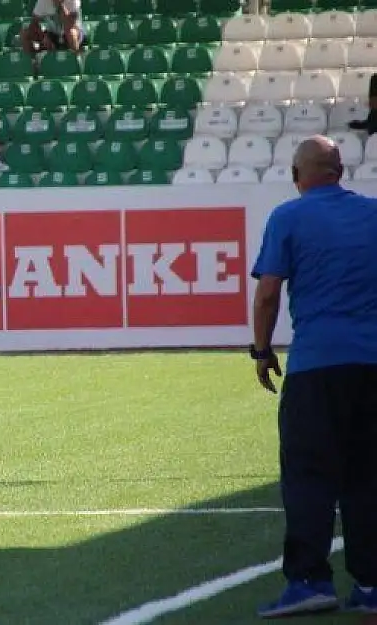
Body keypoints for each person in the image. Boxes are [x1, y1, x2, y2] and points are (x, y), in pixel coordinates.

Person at [251, 135, 377, 618]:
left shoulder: (288, 217)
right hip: (372, 366)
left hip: (318, 366)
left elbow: (267, 294)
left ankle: (308, 580)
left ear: (299, 173)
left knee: (309, 474)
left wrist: (261, 351)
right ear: (339, 171)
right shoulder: (371, 215)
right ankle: (370, 584)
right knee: (368, 476)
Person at [21, 0, 86, 57]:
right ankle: (33, 64)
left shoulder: (73, 1)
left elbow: (69, 25)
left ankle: (76, 60)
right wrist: (43, 37)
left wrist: (60, 6)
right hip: (52, 34)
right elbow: (33, 24)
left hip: (74, 34)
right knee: (25, 33)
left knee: (71, 32)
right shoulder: (43, 2)